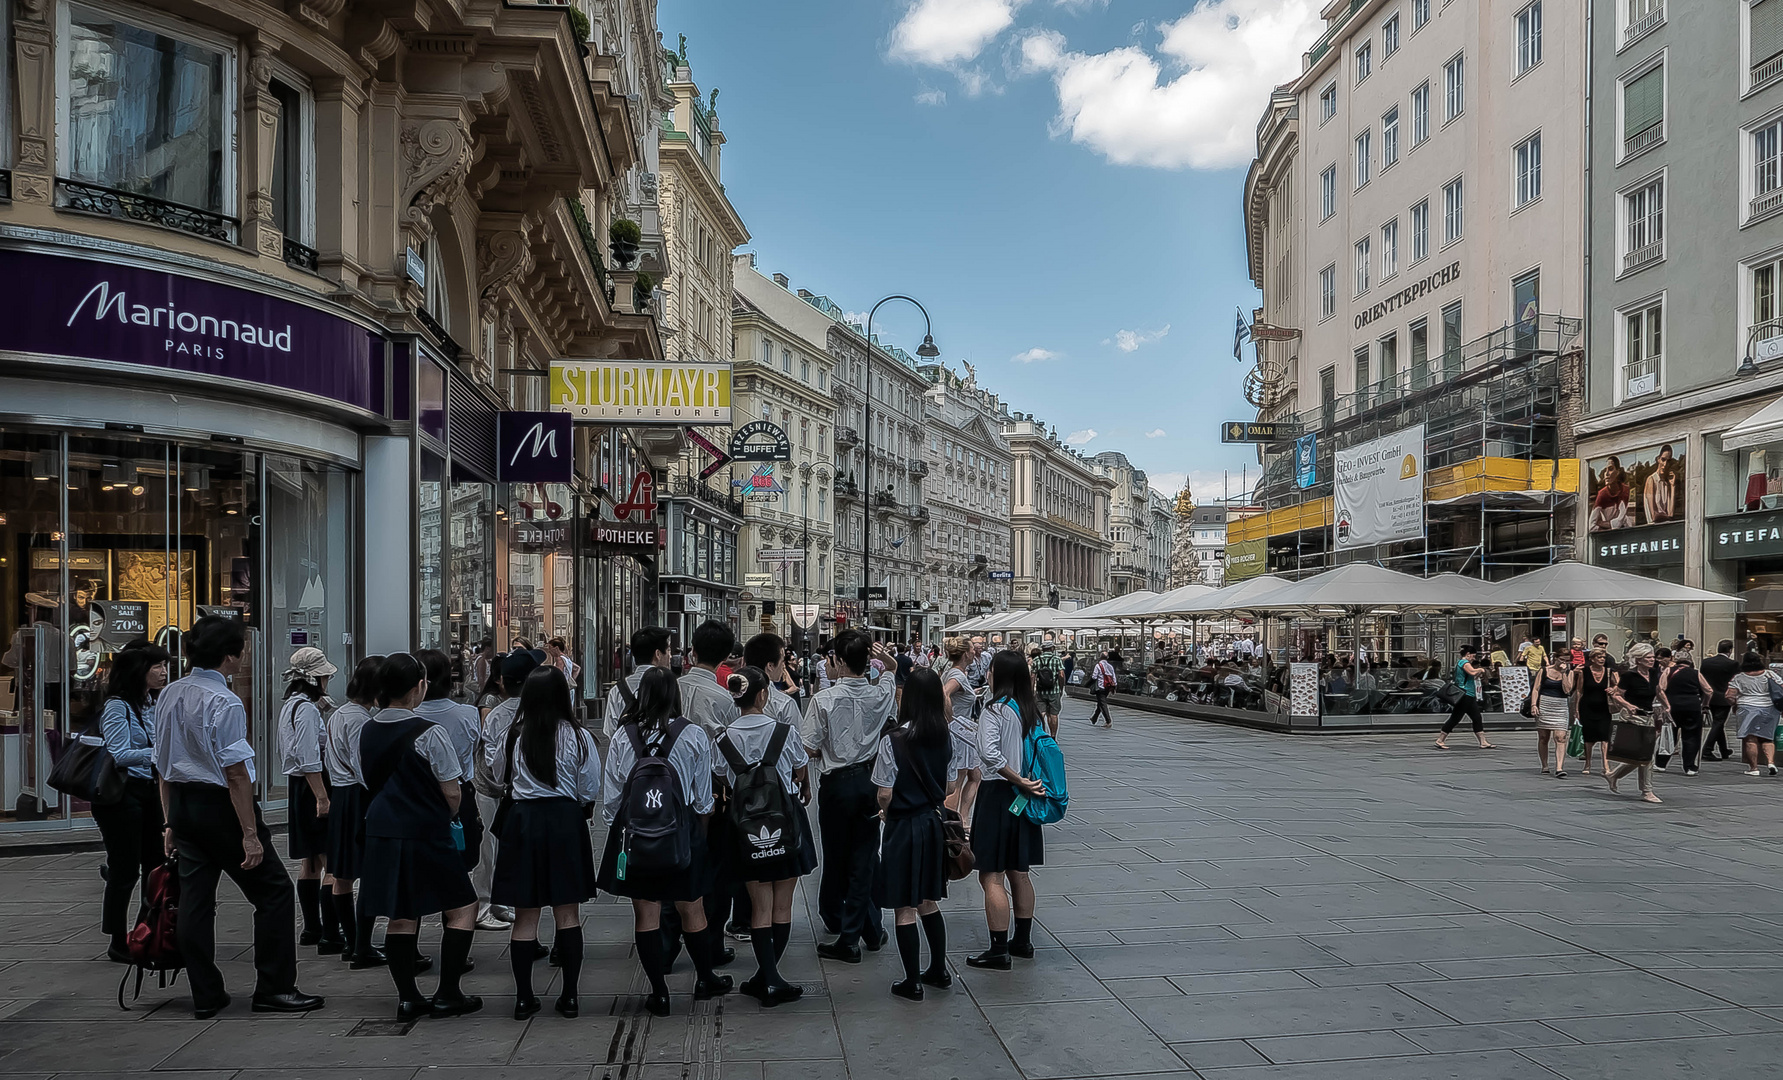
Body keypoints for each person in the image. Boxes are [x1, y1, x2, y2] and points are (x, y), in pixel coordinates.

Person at [154, 615, 322, 1019]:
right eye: (241, 650)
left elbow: (162, 765)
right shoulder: (223, 700)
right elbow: (235, 773)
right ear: (230, 656)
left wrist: (170, 822)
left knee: (196, 900)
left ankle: (206, 992)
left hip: (183, 803)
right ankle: (275, 987)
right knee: (274, 892)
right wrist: (250, 832)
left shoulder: (170, 693)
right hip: (220, 806)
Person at [599, 666, 732, 1016]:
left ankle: (658, 991)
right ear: (676, 696)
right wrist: (698, 829)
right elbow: (704, 797)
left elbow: (612, 798)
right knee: (693, 907)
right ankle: (705, 978)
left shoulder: (622, 736)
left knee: (647, 913)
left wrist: (623, 834)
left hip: (637, 835)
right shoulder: (691, 735)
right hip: (682, 830)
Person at [358, 652, 481, 1021]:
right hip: (425, 830)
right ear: (418, 688)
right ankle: (448, 992)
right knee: (463, 905)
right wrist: (450, 814)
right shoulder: (430, 732)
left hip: (382, 829)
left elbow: (366, 780)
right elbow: (453, 791)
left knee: (401, 913)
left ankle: (408, 997)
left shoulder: (367, 728)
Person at [490, 666, 600, 1020]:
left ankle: (524, 998)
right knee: (567, 912)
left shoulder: (515, 735)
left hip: (523, 822)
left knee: (526, 914)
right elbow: (589, 788)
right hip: (565, 821)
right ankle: (569, 996)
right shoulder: (578, 736)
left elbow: (498, 775)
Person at [717, 664, 814, 1006]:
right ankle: (772, 977)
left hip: (746, 828)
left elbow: (724, 778)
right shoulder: (784, 732)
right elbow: (799, 767)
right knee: (782, 904)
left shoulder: (723, 737)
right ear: (763, 695)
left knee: (759, 906)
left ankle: (765, 975)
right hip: (784, 821)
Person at [804, 631, 898, 962]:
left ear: (839, 662)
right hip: (870, 781)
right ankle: (869, 929)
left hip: (837, 785)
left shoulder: (824, 699)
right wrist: (884, 658)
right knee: (864, 856)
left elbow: (810, 746)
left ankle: (849, 936)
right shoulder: (880, 693)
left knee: (838, 856)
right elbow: (891, 671)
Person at [872, 666, 954, 1000]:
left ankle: (912, 981)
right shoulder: (945, 735)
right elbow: (949, 785)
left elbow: (884, 793)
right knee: (928, 900)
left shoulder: (894, 740)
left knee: (904, 905)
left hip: (903, 826)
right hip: (932, 823)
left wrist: (885, 811)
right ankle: (938, 968)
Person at [968, 649, 1047, 971]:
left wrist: (1017, 781)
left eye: (991, 669)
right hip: (1023, 799)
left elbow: (990, 755)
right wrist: (1027, 784)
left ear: (999, 675)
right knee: (1020, 871)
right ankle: (1023, 940)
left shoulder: (995, 710)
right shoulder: (1030, 710)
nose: (986, 673)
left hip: (1000, 795)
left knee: (991, 875)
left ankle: (998, 948)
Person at [93, 641, 170, 963]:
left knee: (155, 866)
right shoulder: (117, 707)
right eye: (157, 667)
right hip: (121, 795)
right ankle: (116, 940)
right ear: (139, 670)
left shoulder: (151, 703)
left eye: (165, 666)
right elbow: (120, 753)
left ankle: (145, 931)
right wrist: (160, 754)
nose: (165, 672)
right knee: (124, 870)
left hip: (150, 791)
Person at [415, 649, 489, 930]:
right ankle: (455, 931)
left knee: (417, 869)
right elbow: (474, 749)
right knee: (457, 868)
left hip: (416, 798)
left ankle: (412, 935)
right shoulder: (467, 713)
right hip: (459, 793)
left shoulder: (405, 717)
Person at [278, 647, 341, 954]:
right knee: (330, 859)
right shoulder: (305, 710)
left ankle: (312, 927)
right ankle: (330, 930)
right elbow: (308, 756)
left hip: (298, 786)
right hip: (314, 784)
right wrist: (322, 796)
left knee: (310, 860)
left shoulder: (293, 704)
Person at [325, 656, 385, 969]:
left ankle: (351, 940)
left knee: (342, 874)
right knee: (367, 873)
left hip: (340, 794)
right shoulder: (360, 720)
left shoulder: (339, 714)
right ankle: (361, 943)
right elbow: (362, 765)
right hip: (357, 796)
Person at [476, 651, 538, 933]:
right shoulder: (523, 711)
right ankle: (485, 905)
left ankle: (499, 902)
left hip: (499, 788)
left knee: (496, 849)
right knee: (491, 849)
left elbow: (493, 758)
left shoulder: (501, 713)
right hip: (501, 791)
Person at [1605, 643, 1664, 804]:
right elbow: (1617, 695)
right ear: (1638, 659)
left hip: (1649, 716)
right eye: (1648, 657)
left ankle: (1613, 775)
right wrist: (1628, 705)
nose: (1652, 660)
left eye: (1652, 657)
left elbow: (1658, 690)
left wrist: (1667, 706)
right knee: (1647, 756)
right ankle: (1647, 791)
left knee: (1639, 757)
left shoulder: (1653, 673)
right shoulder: (1629, 676)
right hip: (1632, 717)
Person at [937, 637, 982, 827]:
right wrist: (950, 717)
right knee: (958, 778)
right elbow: (945, 693)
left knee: (974, 775)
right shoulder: (958, 675)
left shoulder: (953, 672)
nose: (975, 652)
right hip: (959, 733)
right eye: (972, 649)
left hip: (960, 731)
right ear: (965, 654)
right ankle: (952, 820)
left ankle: (963, 818)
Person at [605, 627, 673, 736]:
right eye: (668, 650)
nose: (670, 656)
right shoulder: (670, 688)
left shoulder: (617, 690)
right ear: (658, 654)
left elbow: (611, 731)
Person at [1661, 648, 1713, 777]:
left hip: (1672, 705)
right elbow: (1709, 690)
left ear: (1676, 660)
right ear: (1690, 661)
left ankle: (1660, 763)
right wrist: (1705, 704)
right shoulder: (1696, 673)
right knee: (1691, 736)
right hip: (1692, 705)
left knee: (1669, 734)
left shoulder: (1669, 670)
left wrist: (1665, 704)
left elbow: (1661, 688)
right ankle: (1689, 767)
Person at [1729, 652, 1783, 777]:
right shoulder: (1770, 674)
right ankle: (1770, 762)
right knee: (1767, 738)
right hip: (1769, 708)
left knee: (1750, 739)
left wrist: (1734, 704)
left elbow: (1730, 695)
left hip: (1747, 708)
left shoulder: (1739, 677)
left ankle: (1754, 768)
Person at [1434, 645, 1494, 750]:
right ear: (1468, 654)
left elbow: (1470, 675)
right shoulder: (1464, 663)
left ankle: (1483, 741)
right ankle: (1440, 740)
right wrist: (1481, 669)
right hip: (1465, 695)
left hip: (1468, 695)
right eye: (1473, 656)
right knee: (1456, 718)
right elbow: (1472, 672)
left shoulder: (1462, 663)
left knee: (1475, 717)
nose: (1474, 659)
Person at [1529, 651, 1574, 778]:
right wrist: (1534, 705)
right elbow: (1536, 688)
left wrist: (1564, 673)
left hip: (1560, 706)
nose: (1564, 663)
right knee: (1543, 737)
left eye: (1567, 661)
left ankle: (1559, 767)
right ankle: (1545, 765)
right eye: (1562, 660)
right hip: (1544, 703)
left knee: (1560, 737)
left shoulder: (1569, 673)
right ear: (1556, 658)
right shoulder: (1544, 670)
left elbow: (1567, 690)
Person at [1701, 639, 1740, 762]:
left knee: (1718, 723)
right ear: (1730, 650)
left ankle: (1724, 750)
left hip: (1709, 696)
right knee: (1718, 722)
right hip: (1724, 697)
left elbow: (1701, 679)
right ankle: (1707, 749)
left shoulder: (1706, 662)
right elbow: (1737, 681)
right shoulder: (1732, 664)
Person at [1033, 640, 1065, 737]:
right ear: (1052, 648)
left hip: (1040, 690)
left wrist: (1031, 690)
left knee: (1041, 713)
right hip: (1054, 690)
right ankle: (1053, 736)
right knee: (1053, 714)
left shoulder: (1037, 660)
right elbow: (1061, 674)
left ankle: (1042, 734)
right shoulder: (1056, 659)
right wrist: (1061, 687)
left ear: (1042, 649)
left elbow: (1032, 676)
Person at [1645, 444, 1679, 524]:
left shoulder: (1665, 483)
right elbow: (1653, 515)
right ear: (1658, 459)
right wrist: (1665, 516)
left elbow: (1670, 513)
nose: (1665, 464)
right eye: (1663, 460)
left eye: (1668, 461)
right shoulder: (1651, 480)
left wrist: (1672, 486)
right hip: (1653, 528)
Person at [1087, 651, 1116, 727]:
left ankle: (1108, 721)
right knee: (1101, 702)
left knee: (1103, 704)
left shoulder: (1098, 665)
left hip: (1100, 687)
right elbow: (1113, 677)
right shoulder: (1110, 666)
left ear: (1100, 657)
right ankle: (1094, 718)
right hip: (1107, 687)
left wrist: (1088, 683)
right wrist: (1114, 686)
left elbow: (1094, 677)